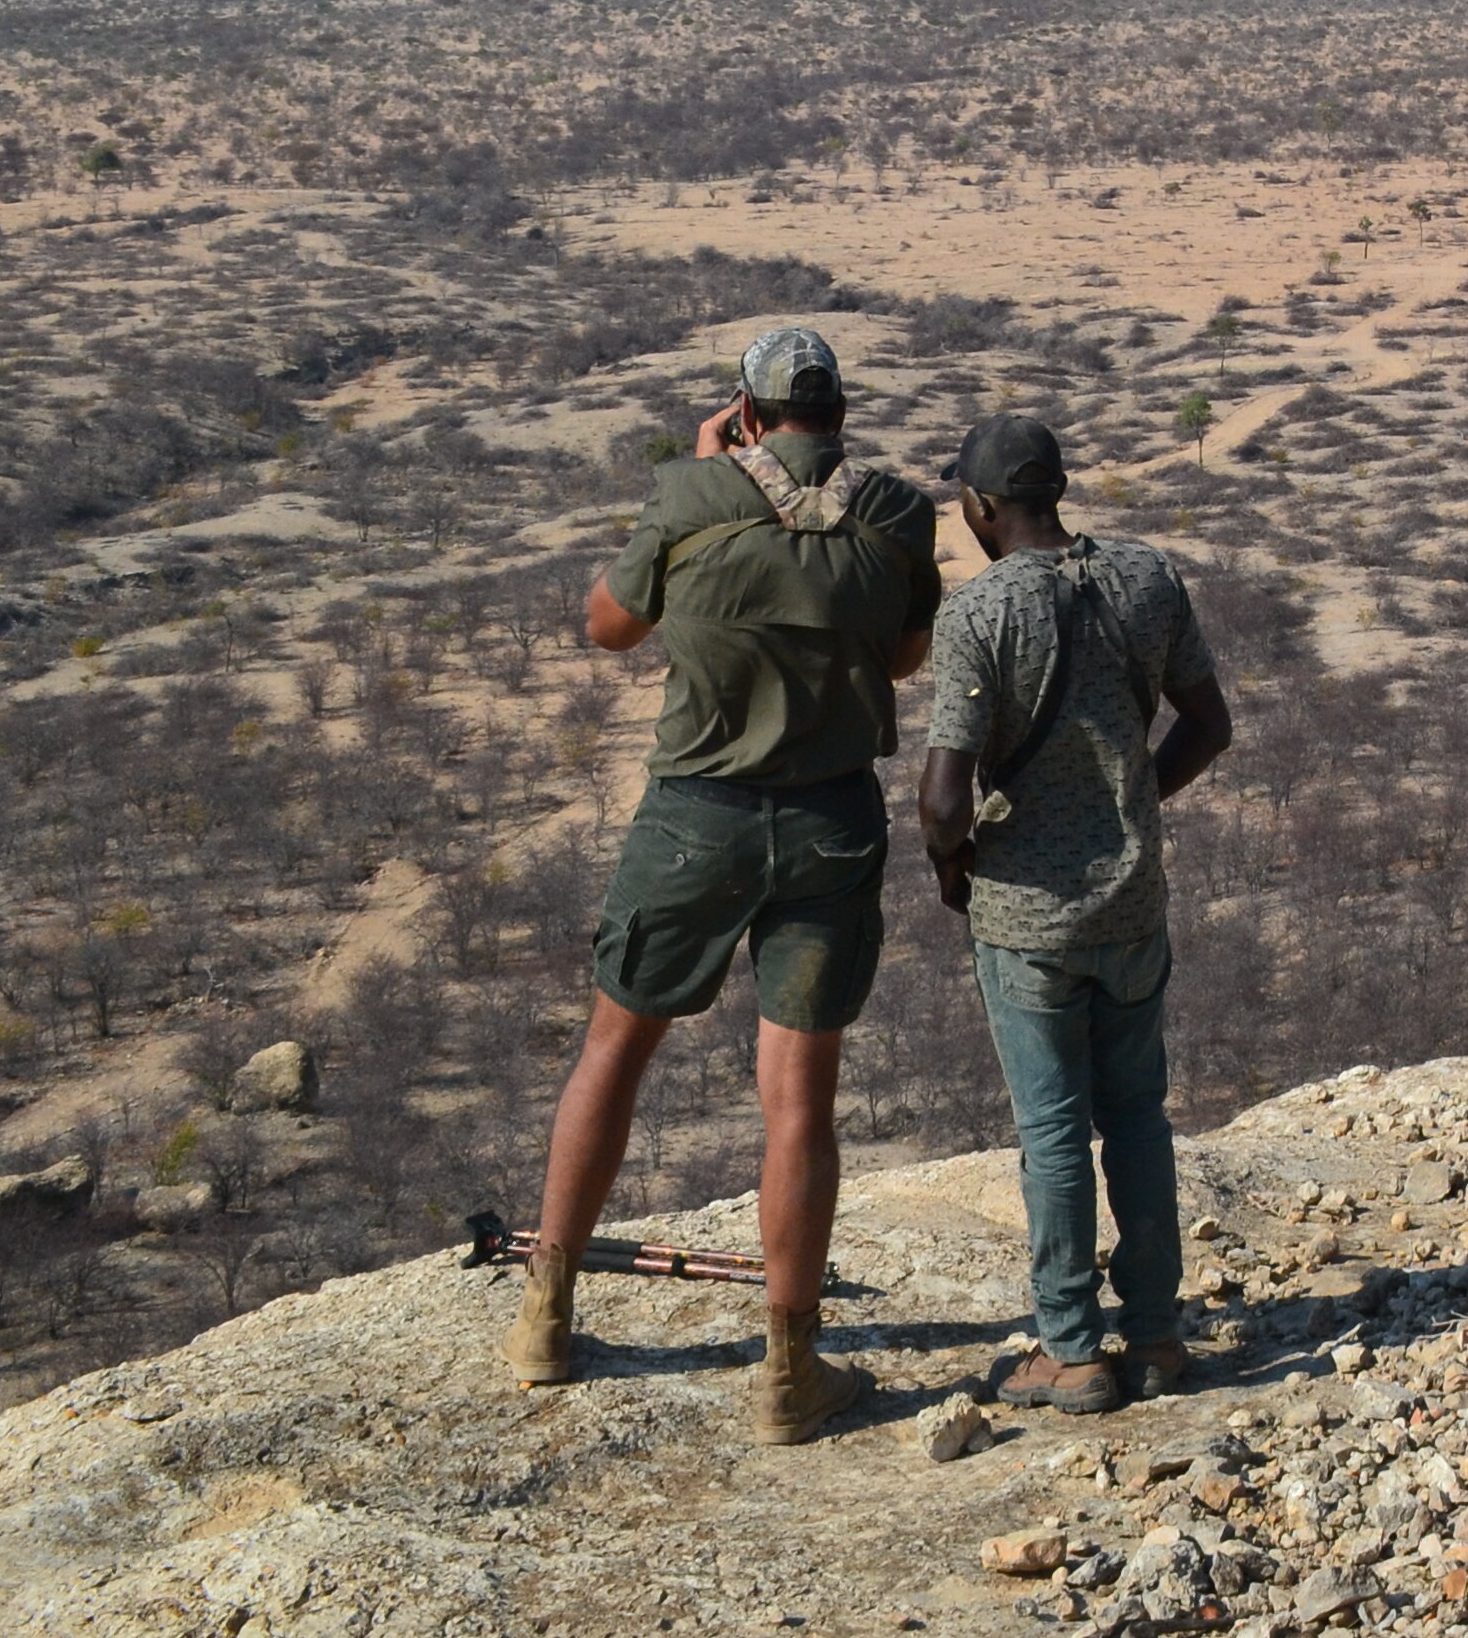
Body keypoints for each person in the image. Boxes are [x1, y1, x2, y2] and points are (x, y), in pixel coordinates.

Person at [510, 324, 940, 1441]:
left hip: (694, 817)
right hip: (830, 820)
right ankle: (790, 1377)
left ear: (745, 414)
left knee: (614, 1049)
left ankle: (545, 1327)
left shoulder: (690, 497)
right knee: (799, 1100)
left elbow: (608, 629)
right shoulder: (896, 515)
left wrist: (707, 473)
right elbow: (901, 660)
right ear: (839, 417)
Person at [915, 412, 1233, 1412]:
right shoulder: (1143, 577)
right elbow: (1207, 723)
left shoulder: (979, 615)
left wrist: (952, 862)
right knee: (1137, 1111)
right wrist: (1129, 800)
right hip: (1133, 901)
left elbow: (939, 800)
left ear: (978, 506)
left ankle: (1071, 1349)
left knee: (1052, 1127)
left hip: (1029, 919)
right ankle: (1156, 1337)